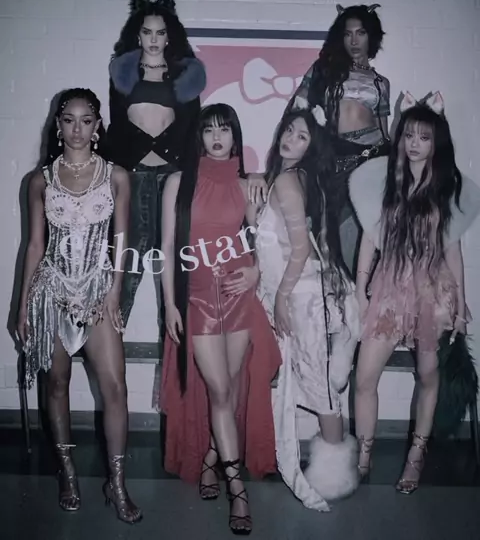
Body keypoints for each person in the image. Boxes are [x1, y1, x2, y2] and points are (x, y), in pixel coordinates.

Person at [16, 88, 142, 523]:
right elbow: (35, 246)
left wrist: (115, 291)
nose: (77, 129)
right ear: (58, 125)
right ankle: (67, 472)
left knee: (116, 388)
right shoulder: (39, 180)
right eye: (68, 120)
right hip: (52, 292)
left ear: (97, 125)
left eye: (86, 120)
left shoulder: (116, 176)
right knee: (56, 385)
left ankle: (117, 482)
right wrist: (22, 306)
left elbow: (122, 241)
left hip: (97, 291)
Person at [157, 103, 281, 535]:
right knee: (220, 391)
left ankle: (212, 458)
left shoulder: (247, 186)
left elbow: (264, 242)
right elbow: (166, 249)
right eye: (209, 130)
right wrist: (170, 305)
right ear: (199, 136)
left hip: (238, 297)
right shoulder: (178, 182)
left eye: (224, 130)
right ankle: (237, 489)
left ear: (234, 136)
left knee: (229, 391)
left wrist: (256, 271)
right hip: (197, 301)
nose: (216, 137)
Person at [350, 92, 480, 494]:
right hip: (389, 287)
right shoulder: (384, 181)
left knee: (427, 375)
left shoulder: (447, 187)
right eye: (409, 135)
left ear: (436, 141)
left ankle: (416, 457)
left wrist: (460, 304)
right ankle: (364, 456)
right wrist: (360, 289)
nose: (414, 143)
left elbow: (453, 249)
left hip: (430, 290)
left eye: (424, 137)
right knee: (364, 377)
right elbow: (370, 238)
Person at [251, 108, 360, 511]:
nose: (290, 139)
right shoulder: (292, 178)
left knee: (318, 385)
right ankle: (331, 470)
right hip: (298, 293)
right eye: (289, 131)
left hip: (301, 297)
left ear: (312, 147)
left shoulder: (288, 180)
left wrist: (281, 297)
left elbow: (299, 250)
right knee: (311, 382)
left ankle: (335, 476)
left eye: (302, 137)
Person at [248, 4, 390, 274]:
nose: (354, 40)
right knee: (330, 234)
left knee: (369, 236)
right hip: (335, 159)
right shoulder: (324, 71)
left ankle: (365, 293)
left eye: (360, 33)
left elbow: (384, 132)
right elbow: (296, 113)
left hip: (372, 160)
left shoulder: (380, 83)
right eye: (348, 34)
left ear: (371, 36)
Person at [106, 0, 206, 330]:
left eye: (160, 32)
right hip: (132, 176)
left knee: (172, 268)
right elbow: (117, 127)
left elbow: (193, 129)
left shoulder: (186, 74)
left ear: (169, 36)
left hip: (170, 176)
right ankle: (108, 348)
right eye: (147, 32)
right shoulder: (122, 73)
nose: (153, 39)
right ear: (137, 35)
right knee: (126, 264)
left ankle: (176, 357)